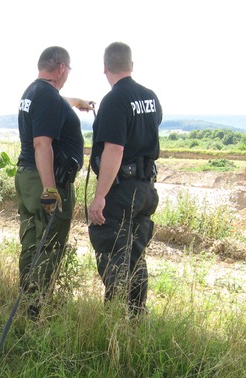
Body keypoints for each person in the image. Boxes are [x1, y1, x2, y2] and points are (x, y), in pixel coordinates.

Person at [15, 46, 94, 317]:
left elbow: (53, 102)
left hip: (27, 177)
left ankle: (26, 299)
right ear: (61, 68)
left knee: (31, 241)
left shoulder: (34, 91)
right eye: (68, 70)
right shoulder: (48, 97)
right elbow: (42, 144)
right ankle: (35, 310)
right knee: (48, 245)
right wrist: (50, 190)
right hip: (44, 180)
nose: (68, 75)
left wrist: (76, 102)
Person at [87, 42, 162, 318]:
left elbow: (115, 150)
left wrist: (100, 196)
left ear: (105, 67)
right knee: (136, 254)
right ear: (131, 65)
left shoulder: (115, 100)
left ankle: (114, 322)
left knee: (114, 254)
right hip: (146, 189)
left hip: (121, 191)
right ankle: (136, 316)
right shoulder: (151, 97)